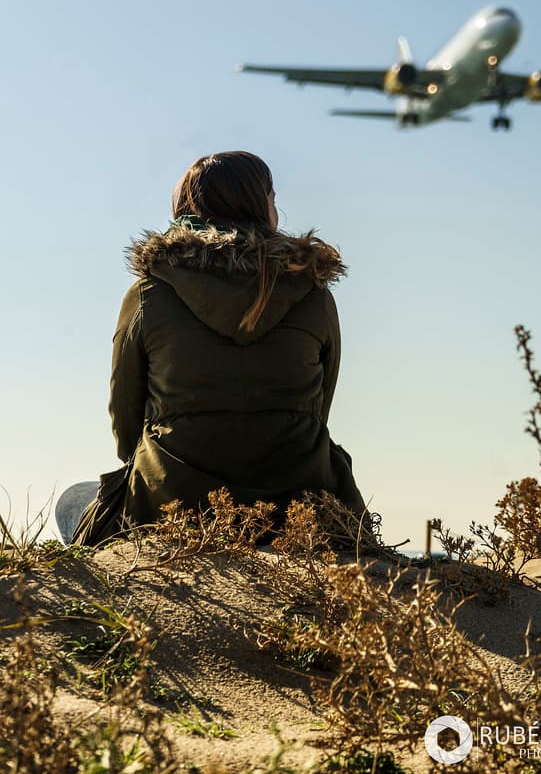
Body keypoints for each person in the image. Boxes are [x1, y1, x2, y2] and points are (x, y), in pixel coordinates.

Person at [71, 151, 365, 544]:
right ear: (261, 208)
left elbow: (125, 419)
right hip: (298, 503)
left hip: (172, 502)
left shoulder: (150, 292)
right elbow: (317, 412)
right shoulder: (313, 295)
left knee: (77, 504)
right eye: (273, 200)